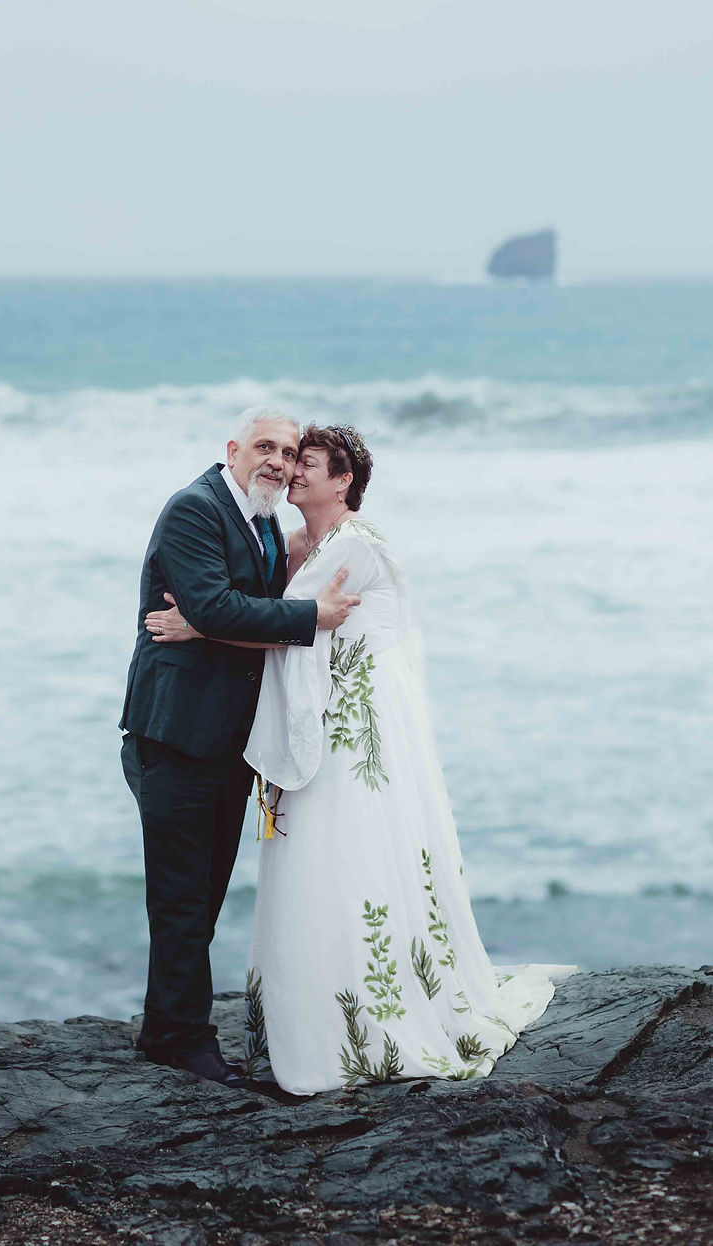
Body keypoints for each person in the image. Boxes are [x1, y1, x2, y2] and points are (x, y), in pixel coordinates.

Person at [147, 423, 575, 1094]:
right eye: (279, 454)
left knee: (334, 870)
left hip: (344, 743)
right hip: (277, 735)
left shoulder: (350, 551)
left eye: (303, 460)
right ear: (233, 451)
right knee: (243, 885)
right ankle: (206, 1027)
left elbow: (301, 634)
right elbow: (287, 619)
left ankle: (344, 1021)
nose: (289, 471)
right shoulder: (286, 542)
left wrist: (200, 623)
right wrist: (222, 618)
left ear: (343, 480)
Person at [121, 408, 359, 1088]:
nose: (279, 462)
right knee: (180, 898)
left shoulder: (263, 525)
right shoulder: (193, 510)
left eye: (289, 453)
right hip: (175, 736)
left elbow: (220, 617)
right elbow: (219, 606)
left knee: (203, 895)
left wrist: (207, 625)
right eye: (265, 447)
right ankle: (183, 1040)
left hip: (227, 742)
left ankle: (166, 1027)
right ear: (232, 449)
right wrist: (311, 617)